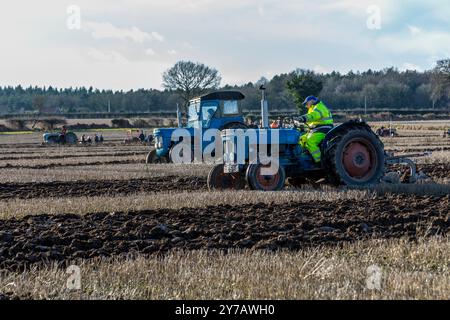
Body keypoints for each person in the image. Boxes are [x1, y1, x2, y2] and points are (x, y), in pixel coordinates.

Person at [297, 96, 334, 164]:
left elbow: (314, 115)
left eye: (306, 103)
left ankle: (319, 161)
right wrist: (300, 125)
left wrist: (303, 118)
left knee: (310, 141)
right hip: (317, 129)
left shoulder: (319, 106)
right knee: (301, 139)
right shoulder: (312, 108)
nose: (306, 105)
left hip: (324, 128)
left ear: (311, 101)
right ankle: (304, 158)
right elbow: (310, 122)